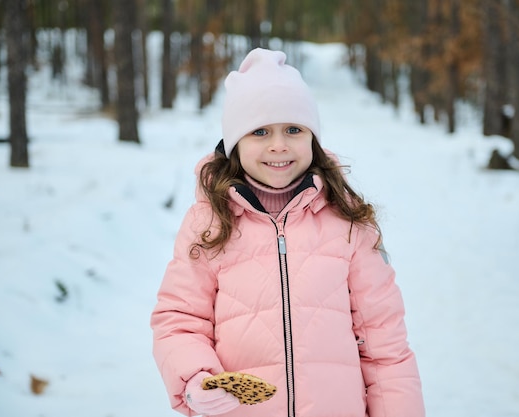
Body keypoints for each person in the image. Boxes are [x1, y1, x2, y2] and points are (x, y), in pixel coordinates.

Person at [150, 47, 425, 417]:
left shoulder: (347, 222)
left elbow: (385, 347)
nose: (278, 145)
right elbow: (180, 320)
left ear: (312, 138)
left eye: (294, 129)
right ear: (235, 144)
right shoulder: (209, 223)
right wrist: (195, 379)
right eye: (260, 131)